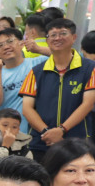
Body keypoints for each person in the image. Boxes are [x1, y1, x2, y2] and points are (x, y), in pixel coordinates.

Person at [20, 18, 95, 158]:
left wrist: (61, 130)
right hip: (41, 143)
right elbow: (27, 108)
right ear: (47, 40)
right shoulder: (36, 71)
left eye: (63, 33)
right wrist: (47, 133)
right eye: (53, 35)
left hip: (77, 143)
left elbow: (88, 104)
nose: (57, 38)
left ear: (74, 37)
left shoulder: (90, 68)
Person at [0, 27, 46, 132]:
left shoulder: (37, 63)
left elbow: (66, 57)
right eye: (0, 45)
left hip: (33, 132)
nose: (6, 47)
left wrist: (39, 49)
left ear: (22, 44)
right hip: (3, 133)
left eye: (10, 41)